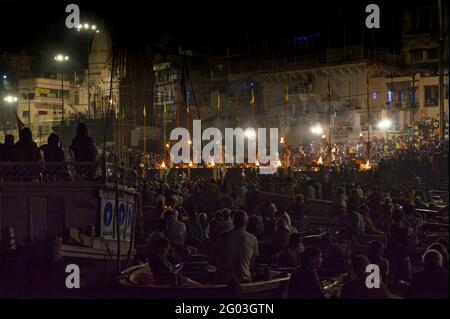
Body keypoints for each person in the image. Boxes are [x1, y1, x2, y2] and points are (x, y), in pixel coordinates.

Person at [213, 210, 259, 284]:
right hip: (244, 280)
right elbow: (251, 263)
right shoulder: (254, 239)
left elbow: (214, 258)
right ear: (246, 223)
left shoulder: (223, 236)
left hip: (224, 280)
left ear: (233, 222)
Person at [385, 206, 412, 283]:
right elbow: (411, 229)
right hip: (402, 253)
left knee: (392, 273)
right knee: (405, 275)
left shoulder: (390, 228)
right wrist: (405, 220)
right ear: (402, 217)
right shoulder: (406, 230)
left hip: (391, 252)